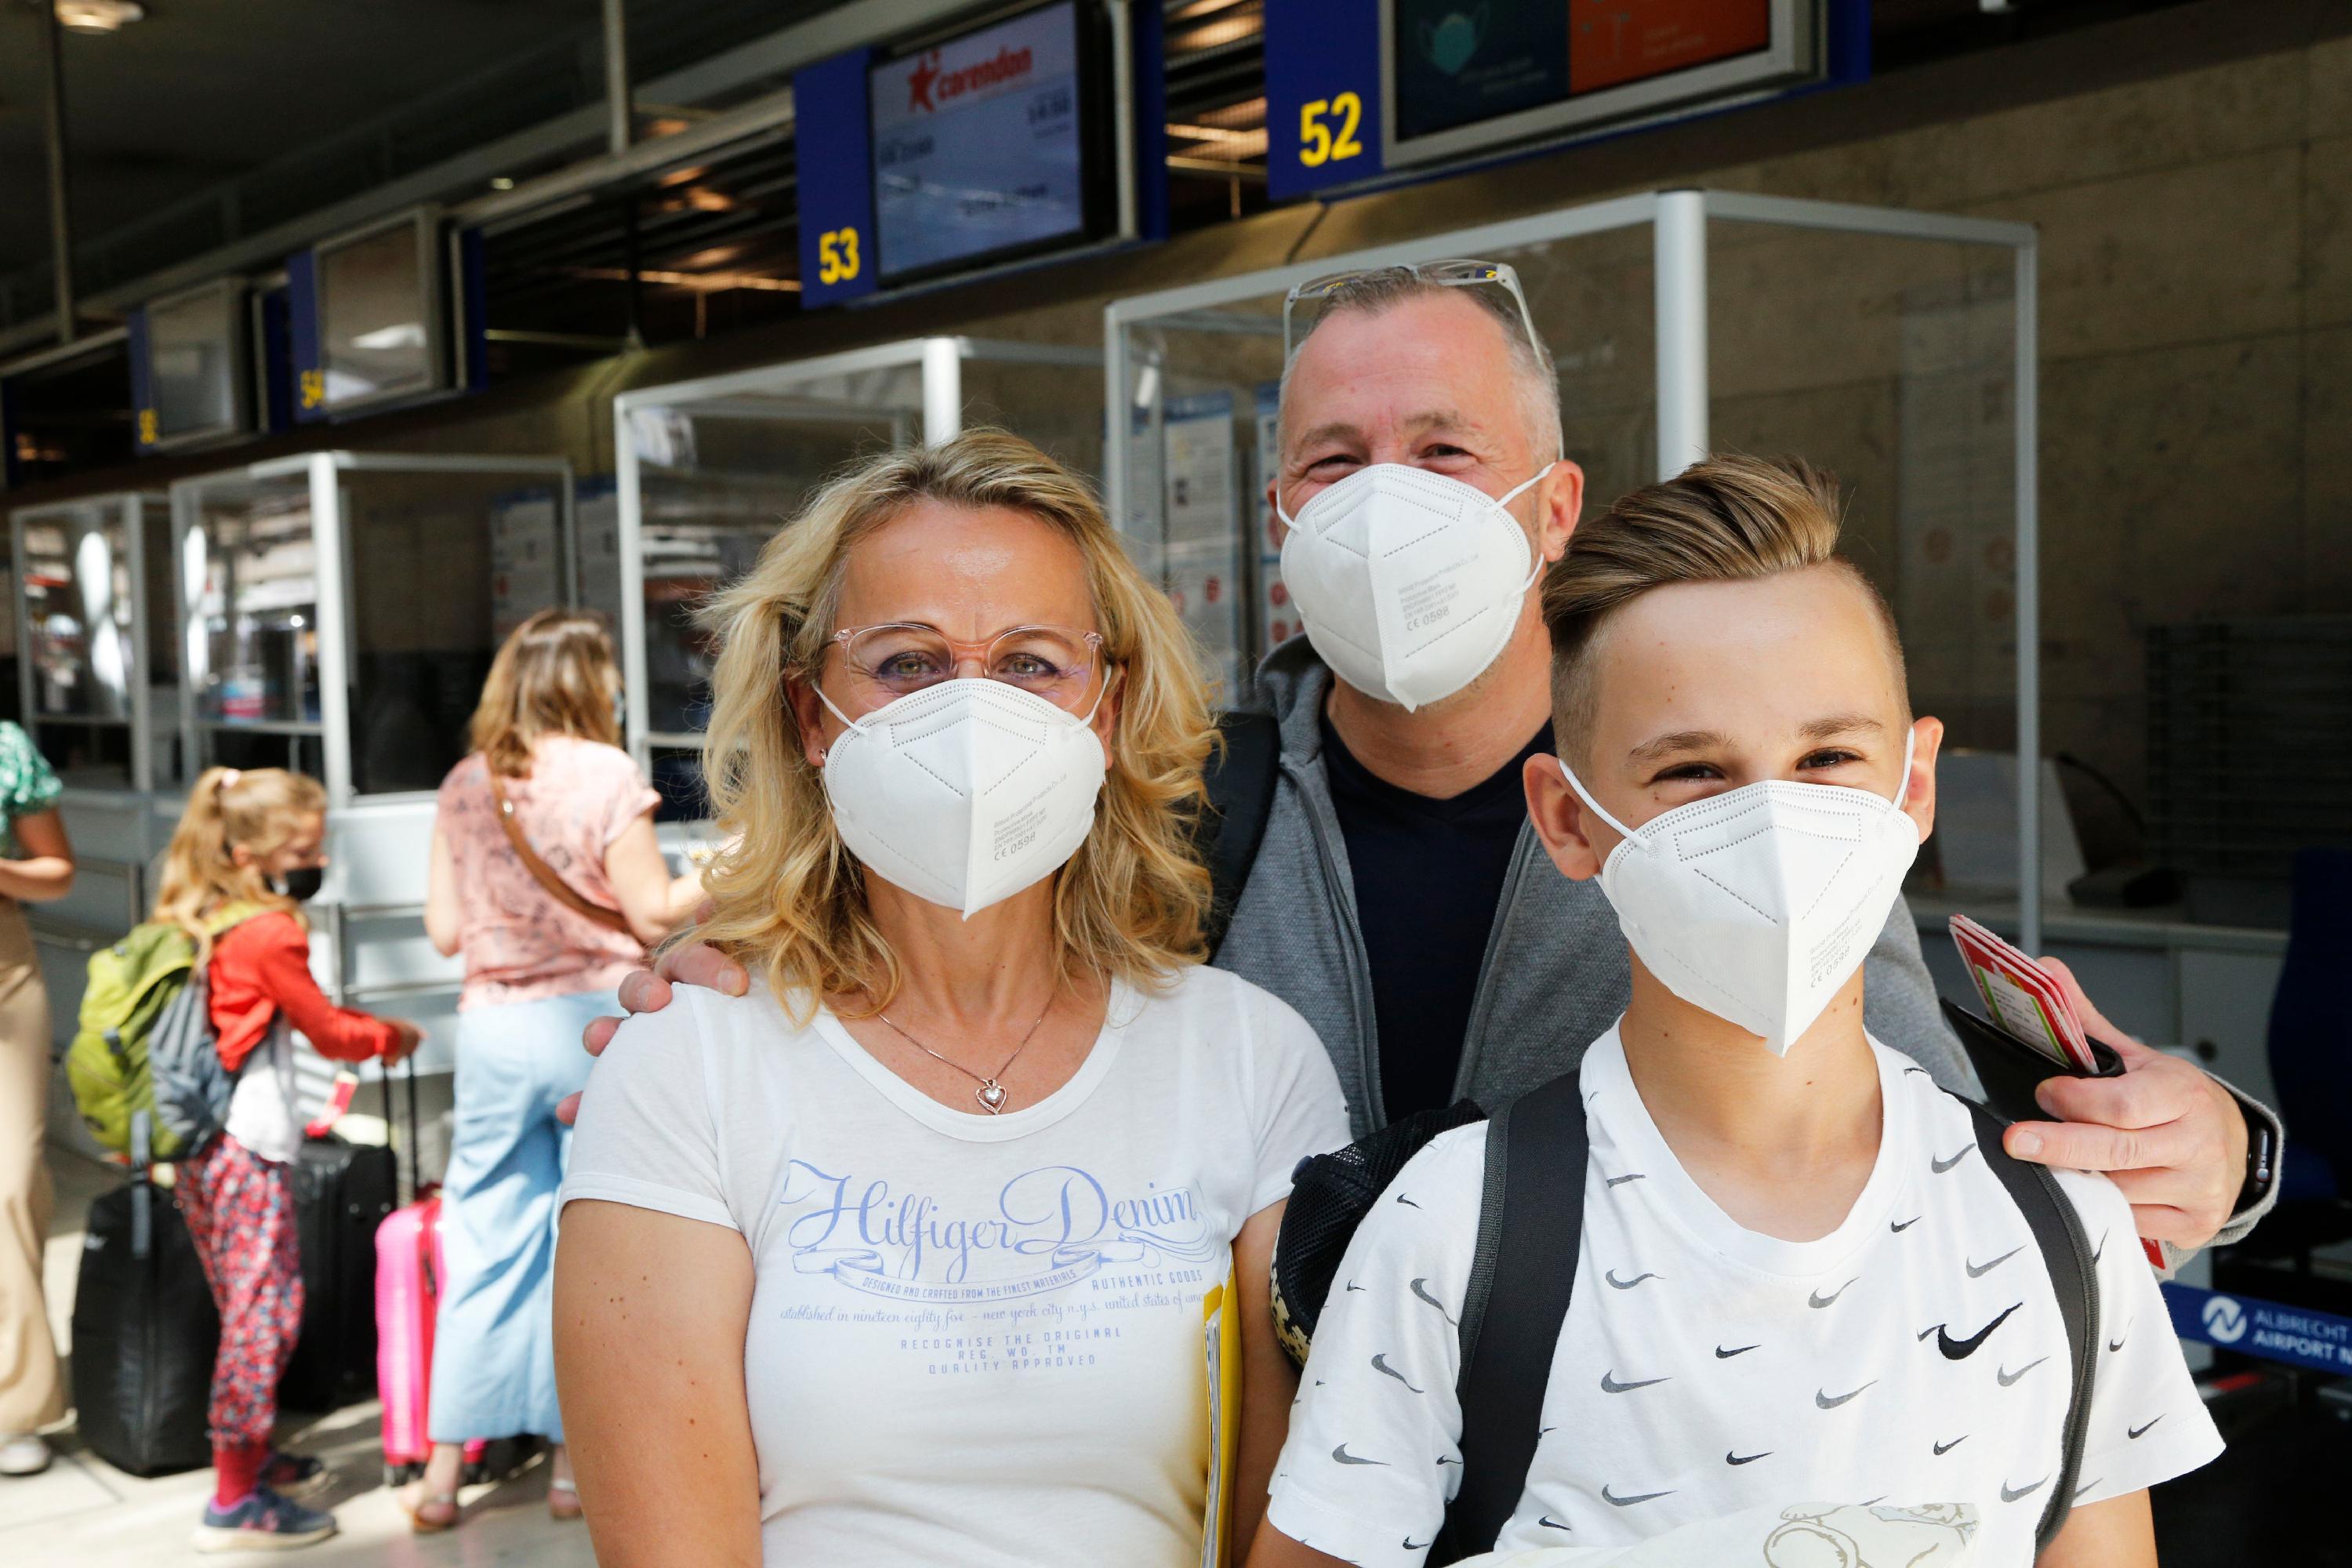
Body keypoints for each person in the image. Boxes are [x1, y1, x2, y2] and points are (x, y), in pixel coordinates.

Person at [574, 259, 2278, 1259]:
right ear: (1282, 518)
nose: (1386, 498)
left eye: (1445, 449)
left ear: (1554, 506)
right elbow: (949, 1002)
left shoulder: (1700, 806)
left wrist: (2225, 1152)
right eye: (1336, 459)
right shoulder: (1170, 813)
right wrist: (763, 975)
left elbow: (1931, 1131)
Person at [1254, 457, 2221, 1568]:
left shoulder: (2059, 1231)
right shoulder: (1447, 1232)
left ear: (1914, 784)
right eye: (1694, 772)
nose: (1773, 818)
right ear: (1566, 818)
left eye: (1828, 756)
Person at [554, 430, 1349, 1566]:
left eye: (1032, 663)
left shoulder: (1249, 1059)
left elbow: (1283, 1519)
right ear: (812, 716)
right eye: (906, 662)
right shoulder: (692, 1065)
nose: (974, 711)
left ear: (1107, 711)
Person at [406, 610, 703, 1532]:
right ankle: (574, 1465)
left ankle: (442, 1473)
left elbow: (445, 931)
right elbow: (653, 912)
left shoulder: (466, 780)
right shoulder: (606, 773)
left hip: (494, 1027)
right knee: (593, 1244)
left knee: (484, 1238)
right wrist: (730, 871)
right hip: (592, 1022)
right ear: (589, 680)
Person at [154, 768, 423, 1553]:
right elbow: (328, 1031)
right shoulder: (269, 931)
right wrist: (392, 1036)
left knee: (245, 1303)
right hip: (246, 1145)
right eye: (302, 851)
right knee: (263, 1315)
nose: (318, 861)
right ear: (249, 853)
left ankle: (255, 1454)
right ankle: (234, 1499)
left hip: (204, 1149)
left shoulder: (206, 913)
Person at [0, 724, 73, 1479]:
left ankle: (15, 1406)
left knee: (12, 1186)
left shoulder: (4, 747)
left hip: (4, 969)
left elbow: (57, 872)